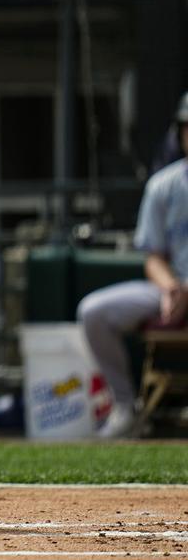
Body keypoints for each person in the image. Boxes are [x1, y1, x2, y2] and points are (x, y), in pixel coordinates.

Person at [78, 93, 188, 439]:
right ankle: (125, 407)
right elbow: (153, 256)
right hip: (172, 288)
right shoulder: (164, 185)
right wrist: (171, 287)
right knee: (94, 312)